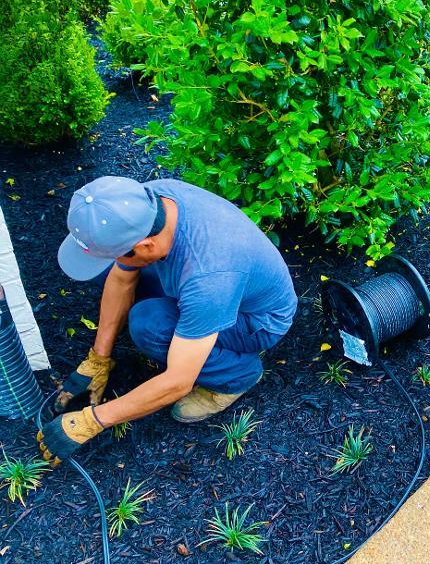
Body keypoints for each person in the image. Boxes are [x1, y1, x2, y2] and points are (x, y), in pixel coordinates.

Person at [37, 176, 297, 466]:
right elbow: (122, 278)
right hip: (209, 289)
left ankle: (236, 376)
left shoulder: (209, 279)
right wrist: (98, 358)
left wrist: (92, 420)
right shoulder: (148, 203)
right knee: (105, 271)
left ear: (146, 245)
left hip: (253, 321)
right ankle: (186, 327)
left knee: (150, 324)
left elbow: (177, 381)